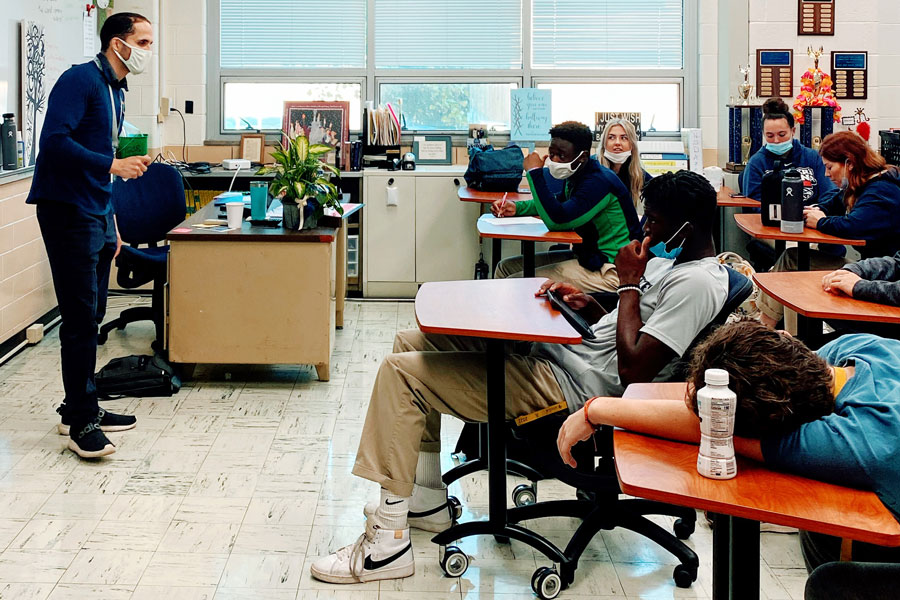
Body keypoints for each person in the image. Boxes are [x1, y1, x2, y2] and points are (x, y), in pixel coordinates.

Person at [309, 170, 729, 584]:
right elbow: (629, 330)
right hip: (565, 354)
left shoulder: (696, 284)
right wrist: (591, 306)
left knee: (401, 376)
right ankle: (425, 500)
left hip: (574, 389)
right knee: (411, 342)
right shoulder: (670, 268)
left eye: (653, 220)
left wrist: (628, 285)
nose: (644, 229)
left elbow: (634, 369)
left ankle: (387, 544)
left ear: (686, 228)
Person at [556, 320, 900, 583]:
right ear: (786, 341)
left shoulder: (864, 442)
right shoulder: (861, 348)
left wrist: (596, 410)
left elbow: (713, 424)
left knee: (830, 581)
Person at [25, 13, 154, 458]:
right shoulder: (79, 80)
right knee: (79, 320)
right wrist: (112, 167)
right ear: (118, 44)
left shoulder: (116, 90)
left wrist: (113, 223)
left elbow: (106, 159)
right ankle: (83, 423)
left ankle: (79, 406)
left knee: (94, 312)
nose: (147, 51)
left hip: (97, 213)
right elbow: (54, 143)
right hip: (66, 210)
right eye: (143, 41)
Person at [758, 131, 900, 328]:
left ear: (849, 163)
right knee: (793, 259)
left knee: (793, 266)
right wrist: (817, 210)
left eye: (830, 167)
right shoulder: (863, 184)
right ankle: (770, 326)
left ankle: (765, 327)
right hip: (870, 271)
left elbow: (854, 227)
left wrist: (821, 222)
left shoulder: (882, 191)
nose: (826, 174)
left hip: (879, 280)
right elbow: (834, 201)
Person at [490, 121, 642, 293]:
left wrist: (534, 173)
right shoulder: (579, 174)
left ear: (582, 157)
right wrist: (517, 208)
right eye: (552, 153)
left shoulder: (598, 182)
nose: (554, 160)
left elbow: (557, 220)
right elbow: (561, 203)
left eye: (562, 156)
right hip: (588, 257)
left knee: (516, 283)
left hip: (613, 270)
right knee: (505, 268)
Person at [741, 98, 835, 205]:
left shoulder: (813, 157)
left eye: (782, 135)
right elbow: (753, 203)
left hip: (811, 217)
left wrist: (818, 211)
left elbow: (830, 193)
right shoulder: (756, 163)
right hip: (772, 219)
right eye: (770, 136)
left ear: (793, 131)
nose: (776, 140)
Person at [597, 118, 652, 213]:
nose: (617, 143)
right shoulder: (593, 168)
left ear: (632, 145)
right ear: (604, 143)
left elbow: (658, 189)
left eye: (624, 138)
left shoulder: (636, 172)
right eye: (611, 137)